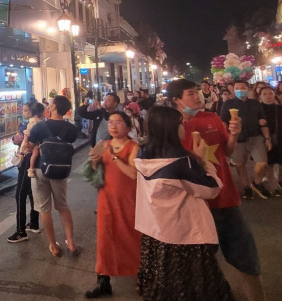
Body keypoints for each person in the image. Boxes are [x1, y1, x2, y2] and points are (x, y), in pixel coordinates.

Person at [169, 78, 266, 301]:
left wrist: (233, 134)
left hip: (227, 199)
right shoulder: (173, 127)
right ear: (177, 100)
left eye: (197, 92)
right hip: (196, 206)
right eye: (191, 93)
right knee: (200, 265)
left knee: (245, 256)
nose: (198, 96)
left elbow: (228, 153)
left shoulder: (211, 117)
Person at [134, 106, 233, 301]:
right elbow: (211, 189)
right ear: (170, 128)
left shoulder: (143, 154)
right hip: (185, 235)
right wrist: (203, 160)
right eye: (180, 123)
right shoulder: (182, 163)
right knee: (192, 287)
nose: (184, 126)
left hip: (155, 231)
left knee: (164, 284)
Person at [86, 111, 141, 298]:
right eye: (110, 122)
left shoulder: (134, 147)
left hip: (128, 200)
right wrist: (94, 162)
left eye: (118, 122)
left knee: (130, 236)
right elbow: (96, 173)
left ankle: (141, 275)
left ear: (127, 126)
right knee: (105, 237)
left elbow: (134, 174)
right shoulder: (104, 144)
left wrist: (114, 156)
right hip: (106, 199)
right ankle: (102, 280)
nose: (113, 126)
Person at [27, 95, 80, 257]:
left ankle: (53, 245)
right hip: (60, 170)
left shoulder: (39, 127)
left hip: (39, 169)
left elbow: (30, 147)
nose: (49, 106)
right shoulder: (71, 129)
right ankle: (70, 242)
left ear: (55, 107)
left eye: (51, 104)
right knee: (62, 206)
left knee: (44, 208)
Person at [220, 79, 272, 199]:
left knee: (262, 162)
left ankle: (257, 182)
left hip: (256, 136)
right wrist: (226, 137)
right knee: (240, 164)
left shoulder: (255, 103)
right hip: (237, 138)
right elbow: (223, 122)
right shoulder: (228, 104)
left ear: (248, 89)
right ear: (233, 89)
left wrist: (267, 138)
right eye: (237, 88)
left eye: (243, 88)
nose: (240, 90)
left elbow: (262, 121)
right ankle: (246, 187)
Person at [7, 102, 42, 243]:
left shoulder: (32, 125)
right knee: (31, 192)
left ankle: (21, 231)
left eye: (26, 110)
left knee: (20, 194)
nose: (24, 112)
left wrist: (22, 149)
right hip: (35, 161)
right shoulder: (41, 123)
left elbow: (27, 144)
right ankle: (34, 223)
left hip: (27, 159)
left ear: (32, 112)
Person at [259, 86, 282, 196]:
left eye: (270, 93)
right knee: (270, 163)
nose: (268, 96)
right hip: (266, 140)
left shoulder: (279, 108)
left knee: (279, 162)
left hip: (280, 138)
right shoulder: (259, 110)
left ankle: (278, 182)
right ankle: (273, 187)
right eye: (265, 94)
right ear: (260, 96)